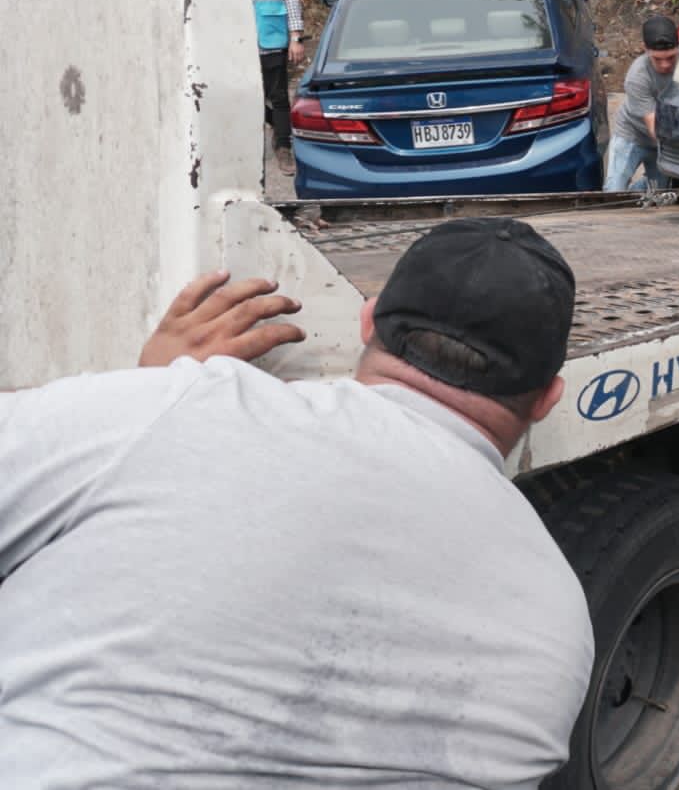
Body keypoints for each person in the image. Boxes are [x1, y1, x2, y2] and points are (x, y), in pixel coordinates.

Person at [0, 219, 595, 787]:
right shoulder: (563, 628)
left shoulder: (181, 408)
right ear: (548, 397)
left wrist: (149, 388)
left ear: (367, 321)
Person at [245, 0, 306, 176]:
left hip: (271, 40)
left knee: (279, 96)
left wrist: (296, 37)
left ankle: (283, 146)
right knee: (248, 97)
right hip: (238, 47)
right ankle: (279, 126)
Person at [605, 15, 679, 191]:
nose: (665, 65)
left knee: (658, 194)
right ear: (645, 49)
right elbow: (654, 128)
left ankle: (636, 194)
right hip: (633, 134)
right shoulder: (637, 78)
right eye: (658, 59)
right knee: (614, 190)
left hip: (667, 138)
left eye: (670, 57)